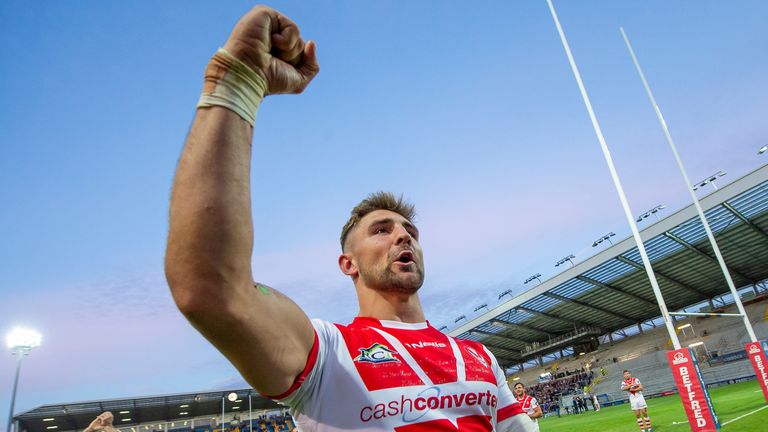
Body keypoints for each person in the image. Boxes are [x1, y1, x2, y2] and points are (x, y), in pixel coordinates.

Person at [164, 4, 535, 432]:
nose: (403, 236)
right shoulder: (327, 354)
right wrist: (238, 84)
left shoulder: (478, 356)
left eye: (409, 231)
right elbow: (209, 288)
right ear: (348, 263)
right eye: (382, 230)